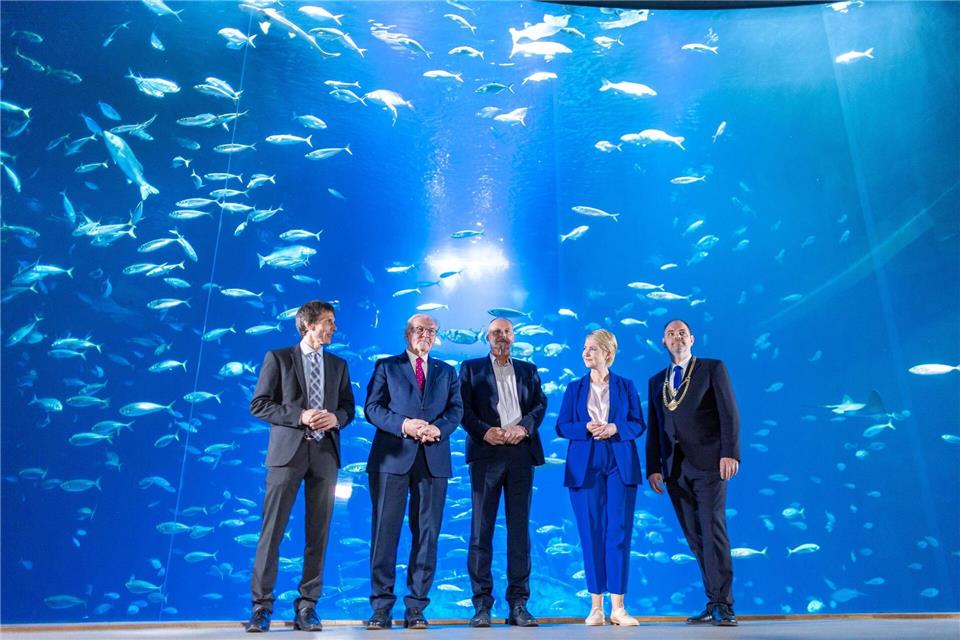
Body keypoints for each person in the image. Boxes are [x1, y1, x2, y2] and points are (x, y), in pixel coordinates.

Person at [246, 301, 356, 633]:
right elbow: (259, 404)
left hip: (325, 455)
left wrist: (336, 417)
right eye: (328, 322)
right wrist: (300, 416)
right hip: (286, 455)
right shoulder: (278, 358)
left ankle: (308, 605)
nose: (334, 328)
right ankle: (261, 606)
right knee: (272, 531)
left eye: (334, 322)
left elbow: (349, 407)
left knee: (318, 533)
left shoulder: (338, 364)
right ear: (307, 324)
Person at [363, 314, 464, 630]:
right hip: (391, 458)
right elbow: (373, 408)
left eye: (431, 331)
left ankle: (417, 607)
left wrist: (437, 429)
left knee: (428, 534)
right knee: (385, 533)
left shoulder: (447, 372)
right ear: (408, 334)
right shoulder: (386, 366)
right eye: (420, 330)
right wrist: (405, 426)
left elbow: (456, 410)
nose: (426, 335)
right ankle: (381, 608)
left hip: (433, 460)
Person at [645, 319, 740, 627]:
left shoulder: (712, 369)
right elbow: (656, 428)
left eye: (682, 333)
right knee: (694, 537)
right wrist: (653, 467)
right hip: (674, 469)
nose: (677, 338)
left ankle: (724, 604)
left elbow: (729, 412)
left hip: (711, 463)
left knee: (712, 531)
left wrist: (730, 452)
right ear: (663, 342)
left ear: (692, 339)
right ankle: (712, 600)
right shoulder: (656, 380)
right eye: (671, 334)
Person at [458, 317, 548, 628]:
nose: (502, 336)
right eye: (497, 332)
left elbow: (540, 404)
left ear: (514, 336)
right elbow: (463, 409)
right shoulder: (470, 368)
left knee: (519, 531)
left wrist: (524, 428)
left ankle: (519, 604)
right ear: (487, 336)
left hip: (521, 454)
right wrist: (485, 432)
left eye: (507, 332)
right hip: (486, 454)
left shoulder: (528, 369)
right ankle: (482, 604)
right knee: (481, 530)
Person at [556, 329, 645, 626]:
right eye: (584, 348)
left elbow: (637, 423)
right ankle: (596, 606)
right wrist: (586, 429)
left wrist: (616, 428)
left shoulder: (626, 386)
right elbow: (562, 426)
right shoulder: (573, 388)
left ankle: (619, 606)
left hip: (619, 460)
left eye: (592, 349)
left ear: (608, 353)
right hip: (585, 462)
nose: (585, 353)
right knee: (590, 532)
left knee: (618, 533)